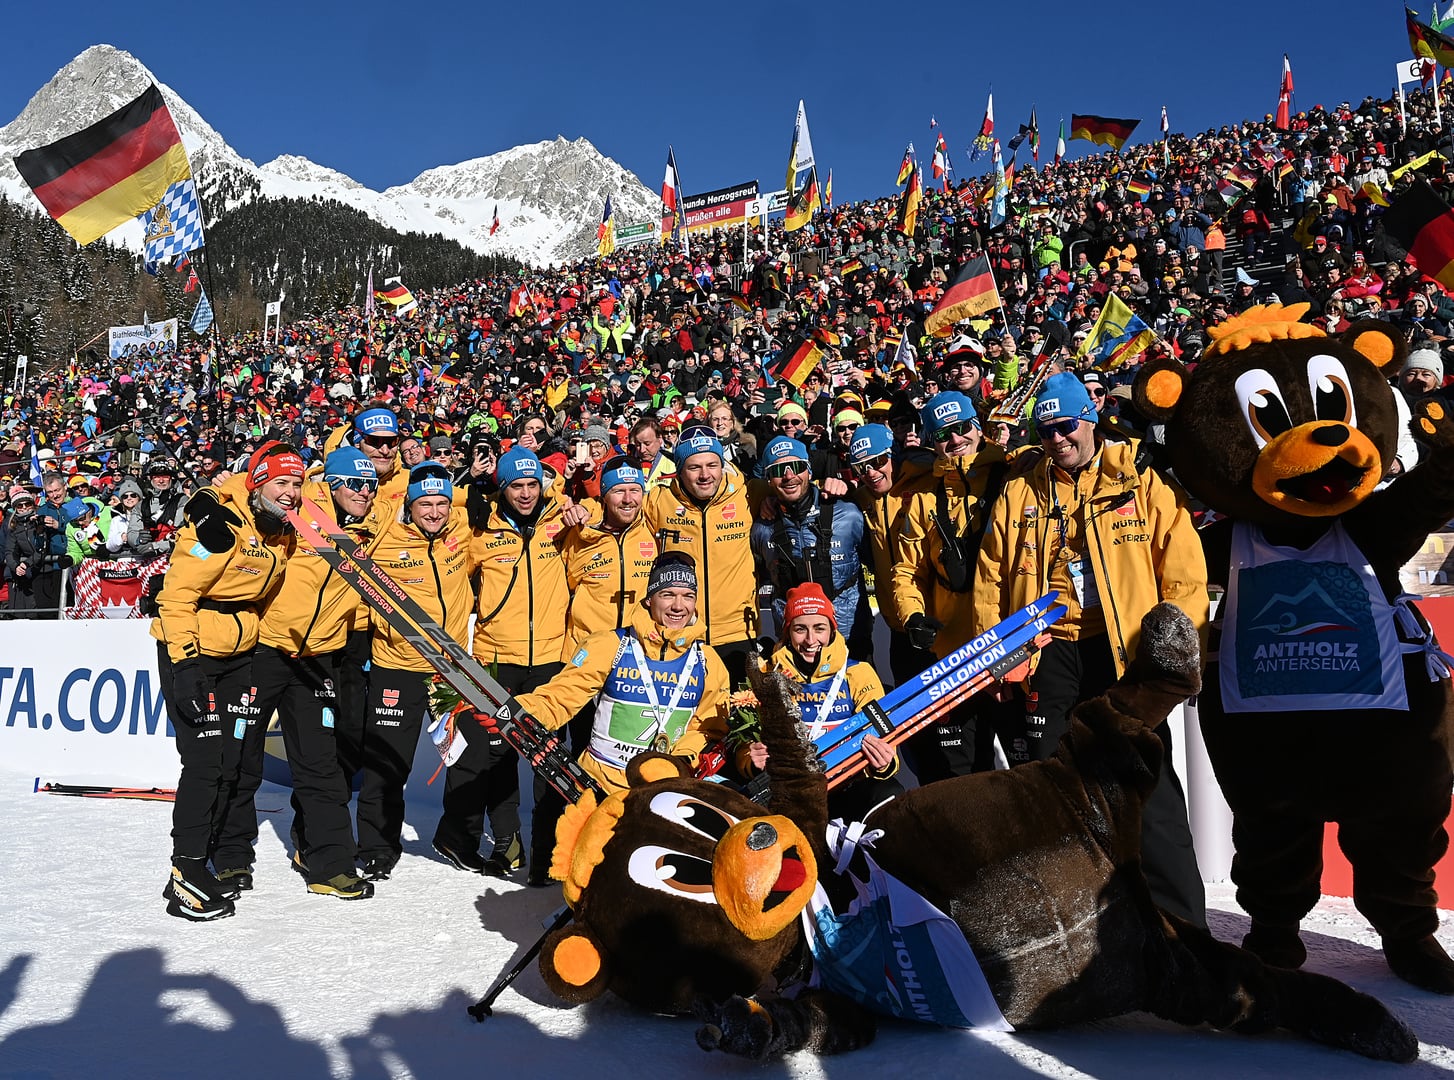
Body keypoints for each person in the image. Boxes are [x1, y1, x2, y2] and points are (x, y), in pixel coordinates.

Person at [972, 372, 1210, 928]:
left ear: (1091, 417)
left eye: (1066, 426)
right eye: (1046, 430)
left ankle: (1183, 920)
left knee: (1146, 782)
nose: (1057, 439)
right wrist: (997, 658)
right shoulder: (1021, 487)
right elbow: (990, 577)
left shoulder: (1141, 480)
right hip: (1050, 651)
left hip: (1123, 653)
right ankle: (1077, 918)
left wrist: (1174, 656)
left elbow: (1183, 575)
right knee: (1054, 785)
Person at [151, 441, 302, 920]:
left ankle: (214, 856)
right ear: (259, 483)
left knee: (233, 761)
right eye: (282, 482)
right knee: (204, 764)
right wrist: (186, 666)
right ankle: (186, 873)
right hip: (193, 652)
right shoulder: (217, 526)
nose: (292, 492)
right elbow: (174, 599)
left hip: (240, 657)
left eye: (297, 484)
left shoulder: (281, 530)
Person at [250, 447, 380, 900]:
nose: (363, 492)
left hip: (319, 658)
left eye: (370, 485)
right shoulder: (301, 509)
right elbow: (246, 486)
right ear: (331, 483)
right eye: (353, 484)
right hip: (266, 649)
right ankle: (225, 859)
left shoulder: (371, 529)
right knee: (240, 759)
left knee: (321, 765)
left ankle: (329, 864)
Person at [435, 446, 568, 883]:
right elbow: (432, 523)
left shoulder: (559, 522)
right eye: (516, 485)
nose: (526, 493)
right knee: (497, 756)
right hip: (496, 657)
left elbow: (579, 498)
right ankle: (508, 842)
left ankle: (548, 853)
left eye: (532, 484)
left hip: (550, 658)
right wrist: (466, 490)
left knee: (548, 762)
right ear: (502, 487)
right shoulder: (481, 529)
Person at [503, 551, 731, 795]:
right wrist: (514, 712)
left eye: (688, 596)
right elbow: (560, 697)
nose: (678, 606)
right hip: (602, 785)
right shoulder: (610, 645)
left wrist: (681, 761)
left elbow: (709, 729)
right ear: (649, 600)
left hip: (665, 791)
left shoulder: (707, 660)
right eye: (668, 595)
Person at [360, 461, 477, 881]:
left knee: (466, 756)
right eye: (424, 503)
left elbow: (475, 498)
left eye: (442, 503)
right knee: (389, 763)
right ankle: (377, 847)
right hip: (397, 668)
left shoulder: (460, 531)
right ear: (409, 504)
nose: (434, 512)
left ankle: (456, 838)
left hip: (449, 668)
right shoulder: (384, 536)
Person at [891, 391, 1009, 780]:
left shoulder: (1016, 476)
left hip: (1015, 651)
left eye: (962, 428)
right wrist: (913, 615)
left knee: (1030, 770)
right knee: (963, 778)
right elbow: (907, 570)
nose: (955, 439)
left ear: (978, 427)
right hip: (953, 661)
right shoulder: (924, 497)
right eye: (943, 434)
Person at [750, 583, 902, 822]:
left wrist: (882, 764)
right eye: (800, 629)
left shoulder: (858, 673)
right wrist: (749, 759)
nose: (811, 640)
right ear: (788, 631)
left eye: (819, 628)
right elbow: (748, 739)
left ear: (832, 629)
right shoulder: (767, 673)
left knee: (889, 794)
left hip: (845, 782)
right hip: (789, 790)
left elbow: (883, 736)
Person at [641, 429, 759, 683]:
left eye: (712, 465)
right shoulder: (658, 500)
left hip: (737, 632)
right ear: (680, 469)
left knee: (739, 715)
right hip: (680, 631)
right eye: (694, 467)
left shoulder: (748, 494)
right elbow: (618, 516)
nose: (705, 475)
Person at [750, 435, 872, 657]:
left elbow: (881, 564)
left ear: (809, 471)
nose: (788, 476)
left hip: (849, 639)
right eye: (778, 471)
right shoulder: (761, 527)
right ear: (768, 479)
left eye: (796, 467)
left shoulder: (848, 513)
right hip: (793, 645)